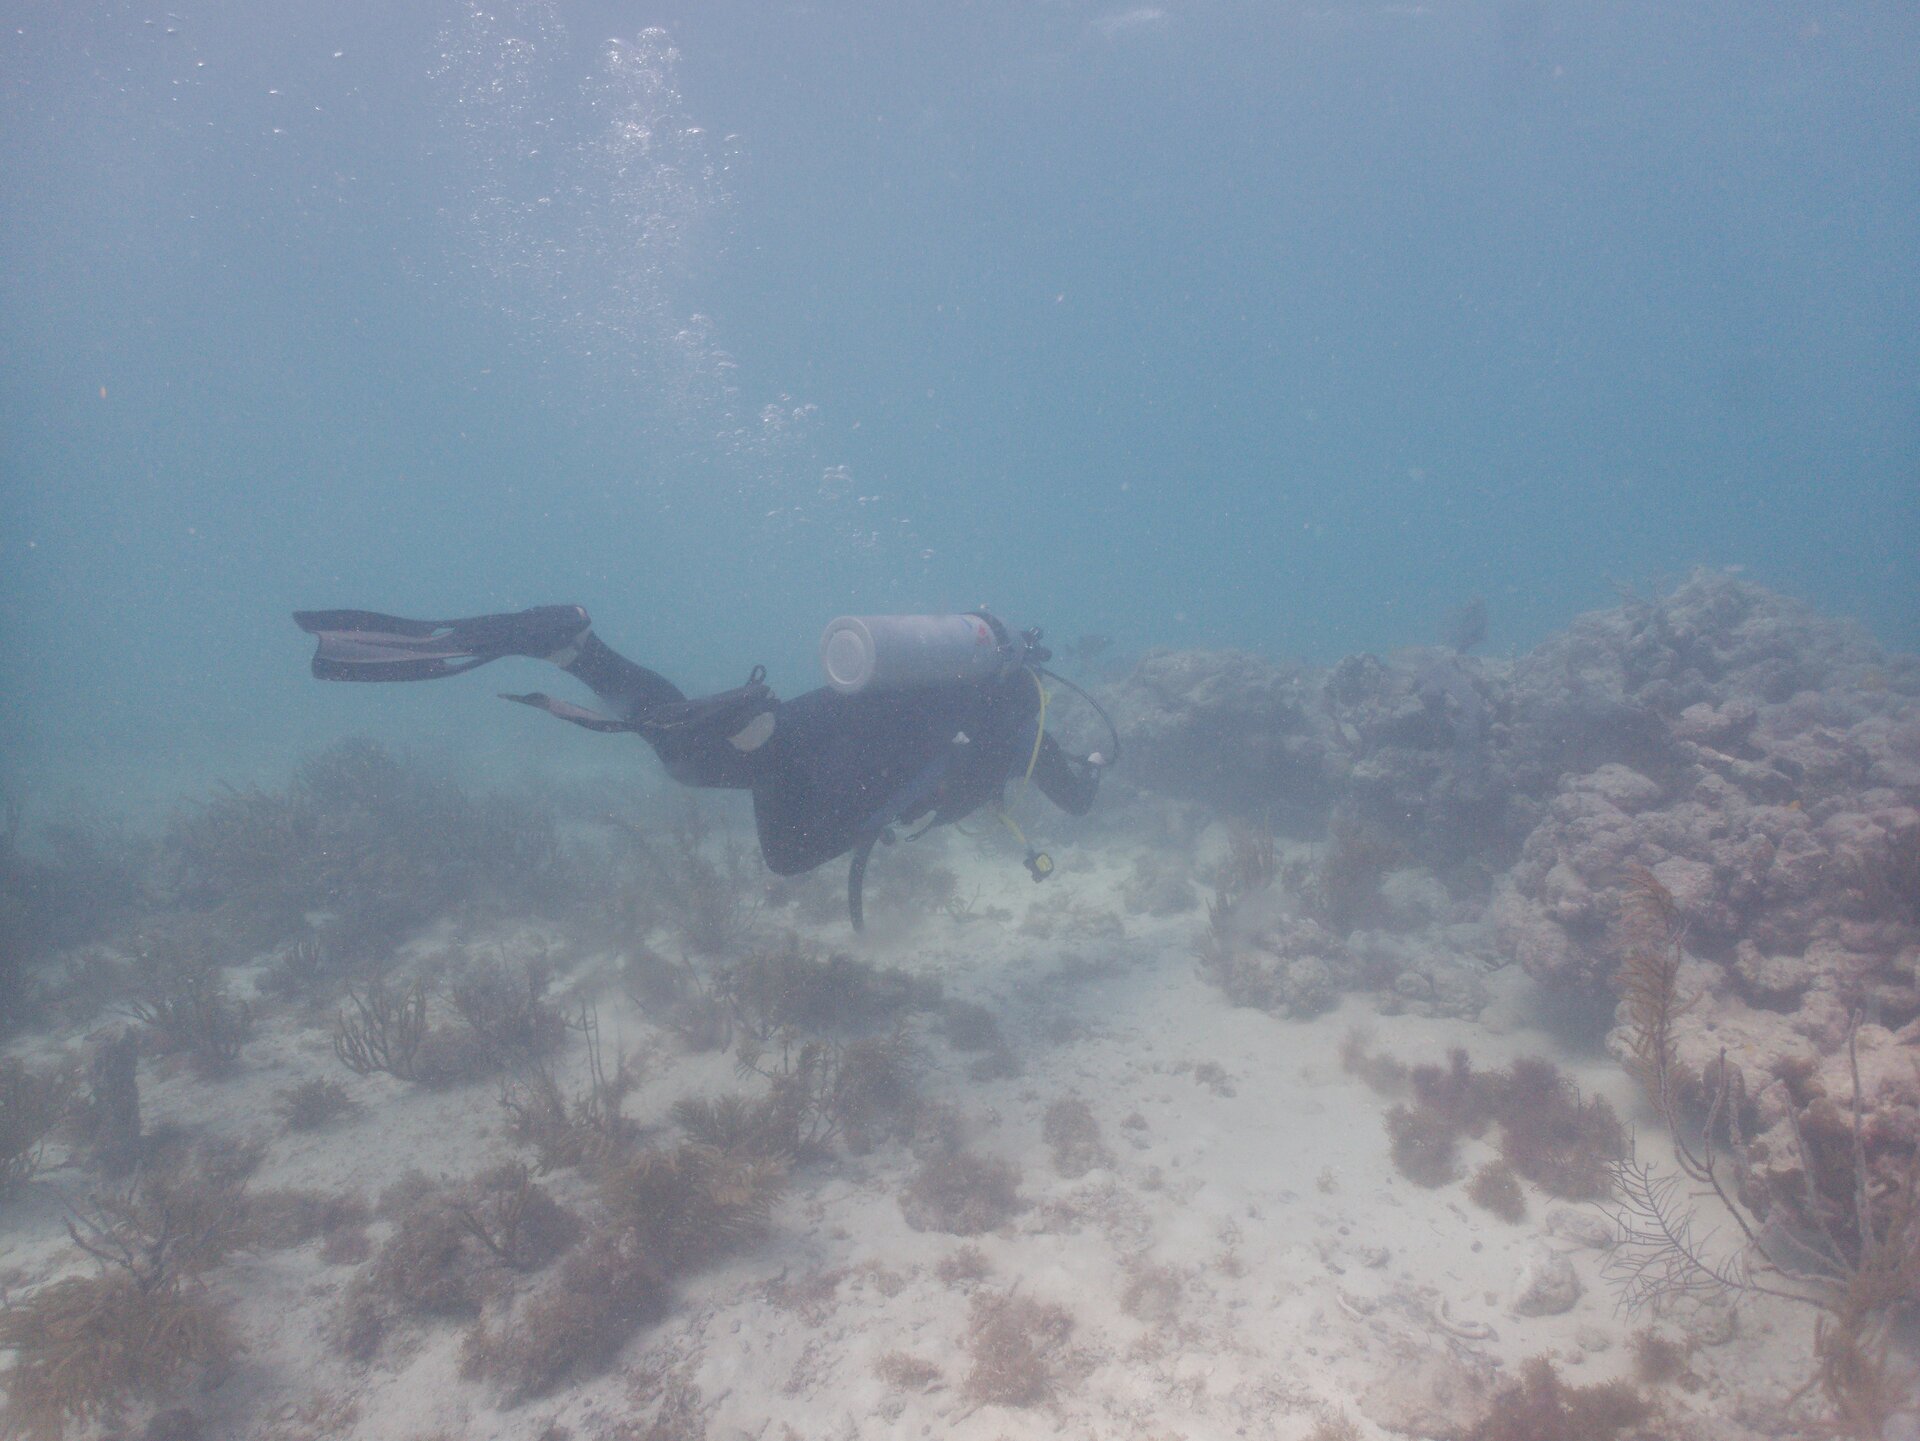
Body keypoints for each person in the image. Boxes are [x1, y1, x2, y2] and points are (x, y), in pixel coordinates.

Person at [292, 605, 1113, 927]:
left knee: (693, 757)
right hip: (873, 763)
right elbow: (1072, 798)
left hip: (825, 712)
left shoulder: (946, 671)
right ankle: (755, 741)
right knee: (787, 849)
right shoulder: (1021, 704)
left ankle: (579, 648)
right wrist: (1100, 764)